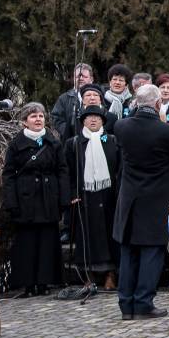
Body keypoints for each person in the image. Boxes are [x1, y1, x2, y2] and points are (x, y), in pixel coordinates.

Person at [112, 84, 169, 320]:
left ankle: (126, 305)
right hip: (155, 200)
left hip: (129, 199)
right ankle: (143, 302)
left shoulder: (121, 126)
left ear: (135, 102)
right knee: (151, 253)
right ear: (157, 104)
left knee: (128, 252)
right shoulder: (167, 131)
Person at [1, 103, 68, 297]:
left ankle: (45, 282)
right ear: (24, 122)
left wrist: (63, 198)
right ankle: (28, 283)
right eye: (33, 116)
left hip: (48, 197)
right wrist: (11, 202)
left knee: (47, 241)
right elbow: (8, 175)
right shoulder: (15, 144)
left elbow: (62, 170)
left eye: (40, 116)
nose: (38, 119)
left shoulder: (53, 142)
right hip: (26, 199)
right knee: (27, 243)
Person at [65, 104, 121, 291]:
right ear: (83, 121)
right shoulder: (74, 143)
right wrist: (73, 194)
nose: (93, 120)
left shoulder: (112, 141)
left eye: (97, 117)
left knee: (108, 236)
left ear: (103, 120)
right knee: (87, 237)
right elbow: (69, 172)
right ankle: (88, 276)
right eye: (89, 117)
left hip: (108, 197)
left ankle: (110, 274)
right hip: (85, 197)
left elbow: (120, 169)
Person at [50, 63, 95, 137]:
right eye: (78, 76)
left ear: (91, 79)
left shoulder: (99, 97)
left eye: (84, 76)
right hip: (72, 143)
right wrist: (69, 132)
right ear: (74, 79)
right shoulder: (63, 98)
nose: (80, 78)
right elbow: (56, 119)